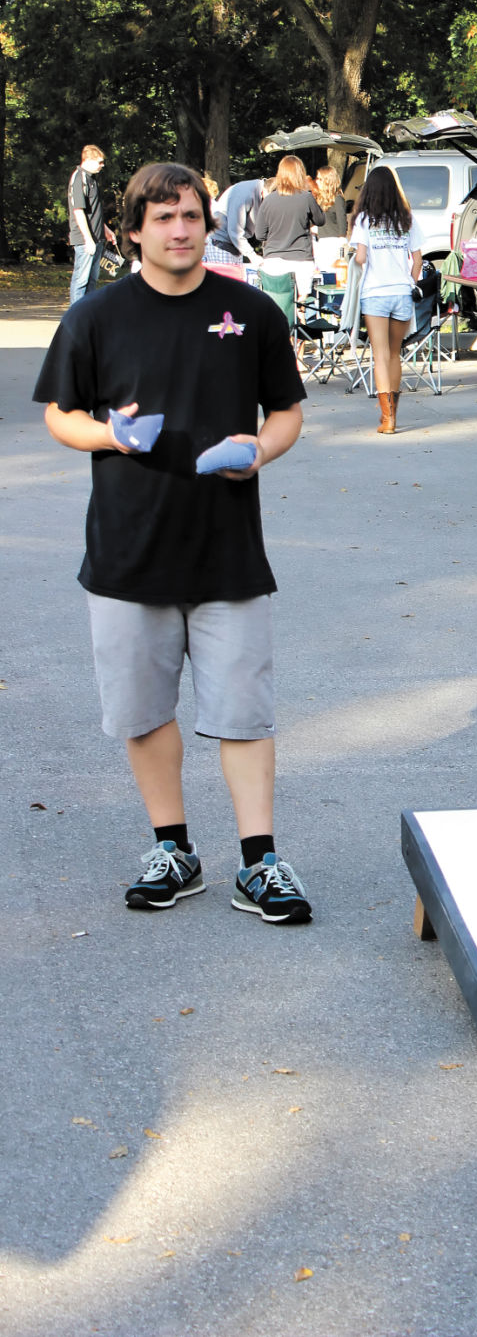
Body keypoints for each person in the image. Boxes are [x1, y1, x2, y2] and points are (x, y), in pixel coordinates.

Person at [33, 162, 312, 924]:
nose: (180, 230)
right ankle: (173, 850)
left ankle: (260, 863)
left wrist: (259, 450)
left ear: (206, 223)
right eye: (162, 218)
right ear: (132, 231)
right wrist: (110, 435)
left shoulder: (250, 310)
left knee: (244, 714)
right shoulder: (95, 316)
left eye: (190, 215)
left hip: (229, 552)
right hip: (128, 551)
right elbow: (60, 414)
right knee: (143, 712)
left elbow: (286, 410)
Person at [351, 166, 422, 434]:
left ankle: (387, 419)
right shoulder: (407, 219)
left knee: (379, 355)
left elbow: (361, 258)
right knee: (394, 354)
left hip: (375, 293)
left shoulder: (364, 220)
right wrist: (410, 282)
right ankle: (394, 415)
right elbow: (418, 260)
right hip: (401, 292)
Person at [253, 154, 325, 296]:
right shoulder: (306, 197)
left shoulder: (268, 200)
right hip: (301, 260)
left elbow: (260, 235)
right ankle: (301, 309)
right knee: (301, 301)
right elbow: (321, 220)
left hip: (273, 262)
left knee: (276, 300)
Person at [68, 144, 117, 304]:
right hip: (85, 240)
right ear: (88, 160)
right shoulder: (79, 178)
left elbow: (94, 211)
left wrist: (106, 230)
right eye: (99, 162)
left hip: (97, 238)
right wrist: (88, 239)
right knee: (81, 281)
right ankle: (76, 314)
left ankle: (87, 313)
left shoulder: (92, 180)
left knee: (92, 281)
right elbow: (78, 211)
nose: (102, 165)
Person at [206, 176, 267, 269]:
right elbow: (235, 232)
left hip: (230, 245)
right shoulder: (243, 194)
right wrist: (252, 256)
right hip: (222, 244)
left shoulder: (250, 191)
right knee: (226, 276)